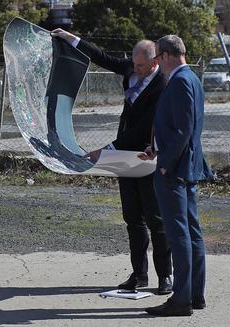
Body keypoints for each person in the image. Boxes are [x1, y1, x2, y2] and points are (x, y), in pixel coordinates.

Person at [51, 28, 172, 295]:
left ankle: (165, 276)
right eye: (134, 64)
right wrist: (71, 38)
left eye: (142, 66)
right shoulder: (131, 68)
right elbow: (101, 57)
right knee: (132, 218)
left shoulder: (161, 85)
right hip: (123, 158)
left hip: (146, 156)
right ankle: (139, 275)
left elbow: (143, 128)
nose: (136, 70)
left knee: (155, 219)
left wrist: (105, 150)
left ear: (155, 62)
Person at [139, 34, 213, 317]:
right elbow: (178, 127)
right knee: (191, 231)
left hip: (176, 170)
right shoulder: (191, 79)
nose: (157, 62)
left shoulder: (181, 81)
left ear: (167, 55)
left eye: (157, 57)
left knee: (179, 233)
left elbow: (184, 129)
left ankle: (181, 299)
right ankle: (195, 294)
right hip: (185, 166)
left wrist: (166, 163)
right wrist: (156, 148)